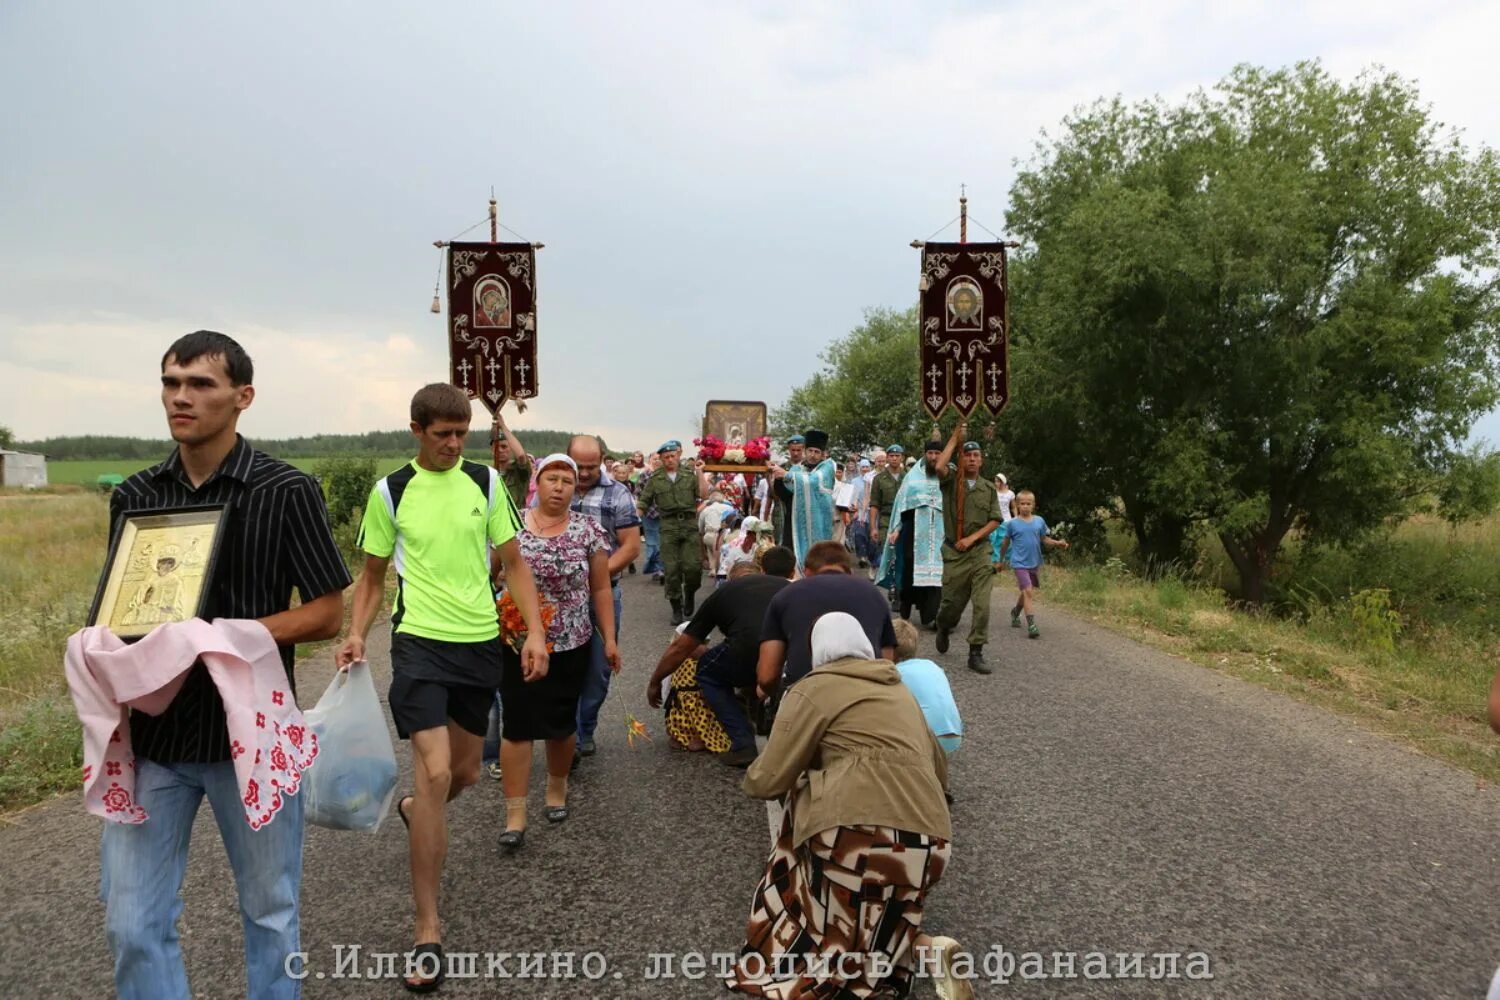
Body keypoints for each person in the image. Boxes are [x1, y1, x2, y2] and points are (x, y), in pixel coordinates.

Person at [100, 331, 351, 1000]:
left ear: (243, 398)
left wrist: (218, 639)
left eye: (200, 384)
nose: (180, 397)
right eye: (170, 382)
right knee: (132, 923)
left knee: (271, 914)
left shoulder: (286, 490)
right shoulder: (134, 495)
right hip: (154, 742)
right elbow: (117, 615)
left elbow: (328, 611)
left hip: (252, 743)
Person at [336, 382, 548, 992]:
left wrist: (533, 632)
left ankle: (413, 812)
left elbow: (513, 563)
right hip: (420, 645)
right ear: (417, 430)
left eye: (460, 434)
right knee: (432, 773)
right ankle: (427, 926)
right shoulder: (391, 491)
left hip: (479, 644)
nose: (454, 444)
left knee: (463, 776)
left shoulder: (484, 484)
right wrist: (356, 633)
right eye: (442, 435)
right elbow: (373, 577)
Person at [728, 613, 968, 1000]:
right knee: (883, 915)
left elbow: (770, 778)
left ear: (817, 651)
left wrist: (771, 781)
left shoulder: (812, 689)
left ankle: (813, 951)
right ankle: (929, 950)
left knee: (819, 906)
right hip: (931, 842)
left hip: (852, 839)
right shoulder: (899, 690)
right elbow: (940, 772)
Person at [648, 546, 796, 767]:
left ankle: (743, 742)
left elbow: (682, 647)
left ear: (763, 570)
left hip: (747, 651)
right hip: (792, 655)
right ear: (793, 572)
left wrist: (656, 680)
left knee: (708, 670)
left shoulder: (726, 591)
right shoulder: (798, 590)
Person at [567, 435, 642, 759]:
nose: (583, 474)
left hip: (604, 595)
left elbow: (630, 545)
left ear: (601, 460)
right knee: (562, 667)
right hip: (561, 598)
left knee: (599, 668)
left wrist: (596, 576)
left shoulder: (618, 494)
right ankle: (565, 734)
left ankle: (585, 727)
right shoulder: (555, 486)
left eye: (590, 466)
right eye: (577, 466)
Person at [758, 540, 896, 694]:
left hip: (805, 696)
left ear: (806, 571)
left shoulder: (785, 596)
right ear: (849, 571)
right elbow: (887, 663)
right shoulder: (874, 595)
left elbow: (767, 676)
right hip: (865, 697)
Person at [934, 430, 1004, 674]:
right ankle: (943, 626)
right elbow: (938, 466)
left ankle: (976, 651)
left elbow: (995, 519)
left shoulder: (988, 488)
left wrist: (973, 538)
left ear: (982, 460)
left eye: (976, 455)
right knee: (951, 605)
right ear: (961, 459)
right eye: (968, 455)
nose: (972, 459)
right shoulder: (952, 480)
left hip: (980, 551)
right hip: (955, 553)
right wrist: (955, 438)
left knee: (982, 603)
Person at [876, 436, 956, 629]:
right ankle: (905, 610)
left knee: (937, 573)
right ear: (925, 454)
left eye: (938, 453)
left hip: (940, 532)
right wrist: (896, 528)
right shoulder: (912, 476)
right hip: (913, 530)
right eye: (930, 453)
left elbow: (956, 503)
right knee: (911, 570)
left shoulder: (949, 474)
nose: (934, 457)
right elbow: (901, 504)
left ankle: (932, 615)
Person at [637, 440, 710, 625]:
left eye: (672, 456)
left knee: (693, 568)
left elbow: (704, 494)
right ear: (661, 459)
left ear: (678, 455)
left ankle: (690, 593)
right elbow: (644, 501)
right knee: (671, 570)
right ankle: (676, 608)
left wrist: (700, 472)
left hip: (688, 523)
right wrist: (634, 518)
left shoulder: (689, 475)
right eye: (666, 457)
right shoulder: (655, 478)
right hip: (668, 526)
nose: (670, 460)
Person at [998, 489, 1070, 639]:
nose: (1025, 506)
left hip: (1034, 561)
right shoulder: (1012, 524)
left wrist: (1058, 543)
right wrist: (1001, 560)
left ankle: (1016, 612)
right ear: (1017, 505)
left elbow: (1045, 539)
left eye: (1028, 503)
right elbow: (1005, 543)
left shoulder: (1039, 521)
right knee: (1028, 591)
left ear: (1033, 505)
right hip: (1018, 562)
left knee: (1026, 591)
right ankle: (1032, 625)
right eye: (1022, 503)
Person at [890, 618, 963, 755]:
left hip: (923, 744)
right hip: (953, 737)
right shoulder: (931, 665)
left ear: (891, 650)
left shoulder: (895, 673)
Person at [772, 428, 838, 570]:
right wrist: (778, 479)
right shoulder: (798, 469)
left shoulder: (826, 468)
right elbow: (786, 495)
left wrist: (787, 475)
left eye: (817, 452)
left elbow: (812, 481)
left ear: (823, 454)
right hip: (796, 523)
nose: (813, 455)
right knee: (791, 556)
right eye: (810, 451)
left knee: (818, 559)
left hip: (818, 523)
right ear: (805, 451)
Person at [490, 407, 533, 513]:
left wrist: (503, 427)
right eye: (496, 447)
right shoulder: (488, 473)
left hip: (515, 520)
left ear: (511, 448)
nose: (500, 450)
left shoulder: (518, 472)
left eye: (504, 447)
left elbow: (521, 456)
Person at [770, 434, 805, 547]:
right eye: (793, 450)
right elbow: (774, 494)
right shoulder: (781, 467)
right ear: (789, 449)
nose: (795, 453)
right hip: (783, 512)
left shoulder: (809, 469)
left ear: (803, 449)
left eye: (798, 450)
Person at [639, 452, 665, 581]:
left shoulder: (668, 475)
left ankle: (661, 569)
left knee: (663, 542)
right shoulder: (644, 475)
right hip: (649, 514)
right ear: (650, 461)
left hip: (665, 514)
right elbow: (639, 493)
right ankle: (655, 567)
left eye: (659, 459)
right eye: (654, 459)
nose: (657, 461)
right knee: (651, 543)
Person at [990, 472, 1016, 570]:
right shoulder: (993, 492)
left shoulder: (1010, 494)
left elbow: (1013, 507)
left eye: (997, 481)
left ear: (1002, 482)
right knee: (994, 540)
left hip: (1007, 520)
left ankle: (1006, 562)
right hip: (995, 519)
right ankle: (995, 562)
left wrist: (1016, 517)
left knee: (1006, 541)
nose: (995, 483)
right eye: (995, 481)